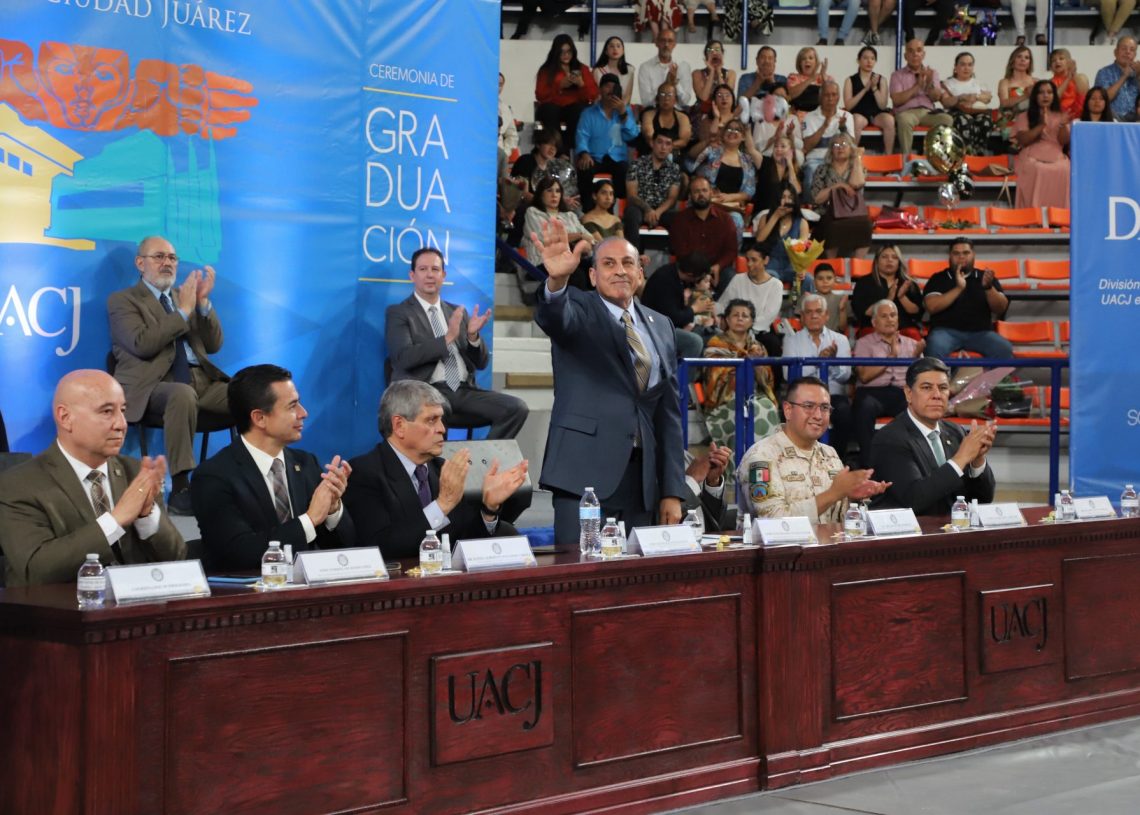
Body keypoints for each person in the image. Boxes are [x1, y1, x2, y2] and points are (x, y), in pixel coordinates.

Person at [531, 222, 686, 545]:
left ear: (640, 273)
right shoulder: (578, 307)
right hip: (582, 476)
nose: (619, 271)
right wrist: (557, 281)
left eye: (628, 263)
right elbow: (555, 316)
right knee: (581, 573)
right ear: (592, 275)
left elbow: (668, 414)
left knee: (636, 574)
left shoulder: (662, 325)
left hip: (642, 483)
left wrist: (672, 490)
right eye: (608, 263)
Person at [0, 370, 185, 587]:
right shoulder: (17, 484)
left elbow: (177, 560)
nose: (121, 424)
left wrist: (147, 516)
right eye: (107, 411)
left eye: (123, 411)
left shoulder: (135, 473)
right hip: (63, 607)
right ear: (65, 417)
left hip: (138, 605)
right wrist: (115, 520)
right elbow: (35, 570)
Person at [107, 235, 230, 515]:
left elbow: (213, 345)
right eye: (159, 256)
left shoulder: (184, 297)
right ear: (140, 263)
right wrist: (183, 312)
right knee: (182, 395)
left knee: (250, 394)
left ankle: (246, 480)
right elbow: (142, 343)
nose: (167, 263)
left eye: (172, 258)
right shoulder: (123, 301)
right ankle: (181, 488)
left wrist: (202, 304)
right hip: (153, 385)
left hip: (202, 381)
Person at [190, 365, 355, 571]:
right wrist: (309, 519)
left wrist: (332, 511)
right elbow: (239, 553)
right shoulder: (213, 477)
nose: (303, 413)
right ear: (259, 418)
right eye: (292, 406)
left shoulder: (306, 464)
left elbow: (345, 549)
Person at [343, 381, 528, 561]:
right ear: (399, 426)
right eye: (431, 420)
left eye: (441, 420)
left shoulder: (443, 469)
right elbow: (380, 547)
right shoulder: (364, 473)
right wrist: (442, 505)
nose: (442, 429)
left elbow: (464, 541)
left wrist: (489, 508)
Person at [386, 248, 529, 440]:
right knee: (439, 410)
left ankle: (486, 457)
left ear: (443, 275)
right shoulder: (399, 312)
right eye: (423, 269)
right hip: (426, 391)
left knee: (516, 408)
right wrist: (446, 339)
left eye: (435, 269)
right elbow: (403, 358)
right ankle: (439, 459)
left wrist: (472, 337)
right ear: (412, 275)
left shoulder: (457, 312)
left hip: (463, 390)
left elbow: (481, 363)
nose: (430, 274)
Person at [736, 375, 888, 522]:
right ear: (788, 410)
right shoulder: (762, 456)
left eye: (824, 408)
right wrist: (834, 494)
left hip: (826, 540)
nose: (818, 415)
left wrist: (852, 497)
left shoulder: (830, 454)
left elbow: (840, 521)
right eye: (808, 406)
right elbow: (773, 522)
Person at [870, 357, 996, 515]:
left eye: (943, 388)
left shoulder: (956, 432)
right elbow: (914, 499)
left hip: (952, 527)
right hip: (910, 529)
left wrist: (977, 460)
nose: (937, 395)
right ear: (908, 393)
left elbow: (983, 499)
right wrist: (961, 459)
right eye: (926, 387)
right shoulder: (890, 439)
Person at [701, 299, 780, 451]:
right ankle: (738, 463)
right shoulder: (715, 344)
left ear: (751, 321)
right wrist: (745, 362)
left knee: (767, 406)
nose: (740, 318)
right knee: (751, 411)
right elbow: (713, 378)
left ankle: (764, 459)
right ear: (727, 319)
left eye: (745, 316)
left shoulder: (758, 347)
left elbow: (768, 381)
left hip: (756, 398)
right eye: (735, 315)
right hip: (724, 403)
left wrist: (757, 365)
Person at [783, 294, 854, 461]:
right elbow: (789, 375)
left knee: (844, 413)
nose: (814, 315)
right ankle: (800, 461)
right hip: (803, 398)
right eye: (809, 312)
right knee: (793, 412)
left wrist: (832, 362)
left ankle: (836, 462)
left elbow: (845, 376)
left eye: (818, 311)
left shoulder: (840, 340)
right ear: (802, 316)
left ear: (826, 315)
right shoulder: (792, 341)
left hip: (833, 396)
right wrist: (818, 362)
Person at [851, 301, 922, 467]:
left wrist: (917, 360)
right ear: (874, 322)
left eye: (893, 315)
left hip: (902, 392)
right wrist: (890, 358)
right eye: (884, 316)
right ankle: (868, 464)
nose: (890, 319)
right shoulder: (864, 343)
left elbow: (920, 379)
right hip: (872, 392)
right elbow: (864, 376)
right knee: (864, 407)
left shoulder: (912, 344)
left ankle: (911, 463)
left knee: (917, 406)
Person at [922, 237, 1013, 360]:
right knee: (934, 347)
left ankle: (993, 375)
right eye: (956, 253)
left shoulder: (985, 277)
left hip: (981, 333)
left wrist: (988, 288)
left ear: (973, 254)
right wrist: (959, 288)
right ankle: (939, 374)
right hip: (945, 332)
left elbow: (1001, 308)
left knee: (1004, 348)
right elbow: (932, 307)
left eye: (966, 253)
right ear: (950, 256)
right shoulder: (938, 278)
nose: (961, 257)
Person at [575, 72, 640, 210]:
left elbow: (632, 135)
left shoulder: (625, 110)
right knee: (584, 169)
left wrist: (623, 114)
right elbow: (582, 136)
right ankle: (587, 210)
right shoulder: (588, 113)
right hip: (594, 158)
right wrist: (584, 153)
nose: (610, 90)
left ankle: (616, 211)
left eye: (613, 87)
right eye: (607, 86)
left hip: (617, 159)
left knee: (624, 171)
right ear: (600, 90)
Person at [668, 176, 739, 296]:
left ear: (711, 192)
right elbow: (680, 251)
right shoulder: (680, 220)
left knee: (730, 276)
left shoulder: (725, 219)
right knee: (672, 275)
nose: (701, 194)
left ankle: (720, 307)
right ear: (690, 195)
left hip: (718, 269)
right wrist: (702, 272)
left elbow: (731, 250)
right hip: (690, 269)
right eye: (696, 191)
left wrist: (718, 266)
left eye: (704, 190)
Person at [689, 117, 757, 243]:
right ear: (723, 133)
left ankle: (729, 255)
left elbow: (749, 192)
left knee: (736, 219)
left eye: (737, 130)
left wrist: (729, 197)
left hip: (731, 206)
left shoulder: (747, 161)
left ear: (743, 137)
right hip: (707, 201)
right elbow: (692, 162)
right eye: (729, 129)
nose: (732, 132)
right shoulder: (712, 151)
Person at [640, 252, 715, 360]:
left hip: (674, 324)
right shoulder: (665, 280)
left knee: (712, 333)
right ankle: (681, 372)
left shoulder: (678, 275)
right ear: (690, 274)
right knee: (694, 342)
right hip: (656, 328)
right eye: (699, 278)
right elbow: (672, 318)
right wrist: (694, 309)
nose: (698, 281)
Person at [809, 133, 872, 260]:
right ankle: (832, 264)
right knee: (833, 225)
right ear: (831, 150)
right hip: (827, 212)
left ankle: (857, 264)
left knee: (866, 225)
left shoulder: (857, 167)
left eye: (844, 144)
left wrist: (857, 158)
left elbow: (856, 183)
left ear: (851, 148)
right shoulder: (822, 169)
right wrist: (838, 186)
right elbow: (817, 199)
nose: (840, 148)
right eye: (836, 145)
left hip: (852, 212)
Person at [1011, 80, 1071, 211]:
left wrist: (1062, 125)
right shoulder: (1024, 116)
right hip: (1032, 157)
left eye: (1049, 92)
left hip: (1056, 156)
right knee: (1038, 169)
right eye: (1041, 93)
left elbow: (1064, 141)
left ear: (1054, 96)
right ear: (1035, 96)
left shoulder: (1060, 116)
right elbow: (1023, 140)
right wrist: (1041, 125)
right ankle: (1034, 215)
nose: (1045, 96)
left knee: (1065, 168)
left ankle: (1058, 217)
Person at [535, 34, 598, 154]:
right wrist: (559, 86)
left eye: (569, 51)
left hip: (574, 108)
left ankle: (574, 152)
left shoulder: (582, 68)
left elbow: (593, 95)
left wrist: (581, 85)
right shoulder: (546, 70)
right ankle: (557, 152)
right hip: (553, 107)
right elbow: (540, 95)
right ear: (556, 52)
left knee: (578, 111)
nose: (566, 55)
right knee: (549, 111)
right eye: (562, 52)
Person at [890, 40, 955, 156]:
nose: (915, 54)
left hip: (927, 113)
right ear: (905, 56)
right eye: (911, 51)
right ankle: (906, 160)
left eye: (919, 51)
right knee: (904, 120)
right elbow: (897, 100)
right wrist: (917, 87)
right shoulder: (897, 75)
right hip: (907, 112)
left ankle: (935, 158)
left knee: (947, 119)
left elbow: (936, 98)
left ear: (923, 54)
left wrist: (929, 83)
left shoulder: (932, 73)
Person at [521, 176, 595, 270]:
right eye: (549, 190)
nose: (554, 195)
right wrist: (578, 236)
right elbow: (548, 239)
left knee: (595, 267)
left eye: (557, 191)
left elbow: (590, 239)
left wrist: (585, 245)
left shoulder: (570, 216)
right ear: (541, 194)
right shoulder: (533, 212)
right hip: (543, 264)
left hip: (573, 262)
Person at [851, 244, 924, 339]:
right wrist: (888, 299)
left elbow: (916, 313)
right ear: (877, 261)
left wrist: (902, 297)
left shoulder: (909, 283)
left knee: (913, 334)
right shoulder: (864, 283)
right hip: (873, 328)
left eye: (894, 257)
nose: (890, 260)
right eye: (884, 257)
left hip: (904, 328)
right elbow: (863, 312)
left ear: (899, 262)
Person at [624, 130, 682, 248]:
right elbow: (632, 195)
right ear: (652, 143)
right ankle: (633, 254)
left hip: (662, 211)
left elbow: (672, 198)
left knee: (680, 219)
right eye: (660, 142)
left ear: (671, 148)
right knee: (631, 214)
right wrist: (648, 209)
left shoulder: (674, 169)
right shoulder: (636, 164)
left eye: (668, 144)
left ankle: (677, 256)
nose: (663, 147)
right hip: (640, 208)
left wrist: (657, 212)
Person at [753, 183, 814, 287]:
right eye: (783, 197)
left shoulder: (802, 222)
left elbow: (803, 249)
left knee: (807, 279)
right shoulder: (765, 218)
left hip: (791, 264)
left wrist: (802, 269)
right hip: (771, 263)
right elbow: (759, 240)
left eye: (790, 198)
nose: (787, 201)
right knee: (770, 279)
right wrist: (775, 216)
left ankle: (805, 298)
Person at [716, 243, 784, 333]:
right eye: (747, 260)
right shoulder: (738, 279)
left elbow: (768, 316)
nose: (749, 264)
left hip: (759, 332)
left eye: (754, 260)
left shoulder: (776, 285)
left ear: (766, 260)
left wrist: (743, 325)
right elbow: (723, 304)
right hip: (734, 329)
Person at [802, 80, 853, 193]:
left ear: (838, 97)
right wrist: (824, 126)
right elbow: (807, 147)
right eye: (827, 95)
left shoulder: (847, 116)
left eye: (834, 95)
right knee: (810, 176)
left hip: (840, 160)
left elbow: (852, 145)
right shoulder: (809, 117)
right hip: (816, 160)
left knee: (856, 176)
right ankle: (811, 204)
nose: (830, 98)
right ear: (820, 97)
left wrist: (843, 128)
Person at [844, 46, 895, 155]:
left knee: (889, 120)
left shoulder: (881, 79)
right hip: (859, 113)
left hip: (876, 114)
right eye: (865, 58)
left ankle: (889, 156)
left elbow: (882, 105)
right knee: (856, 120)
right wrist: (865, 89)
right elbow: (848, 106)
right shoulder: (850, 80)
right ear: (858, 60)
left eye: (872, 58)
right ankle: (852, 155)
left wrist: (874, 88)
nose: (869, 61)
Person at [942, 51, 994, 156]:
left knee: (986, 120)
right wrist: (961, 97)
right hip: (957, 112)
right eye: (963, 64)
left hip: (976, 111)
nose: (966, 68)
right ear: (955, 67)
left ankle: (980, 151)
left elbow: (988, 98)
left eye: (970, 65)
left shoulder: (978, 83)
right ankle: (966, 152)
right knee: (965, 120)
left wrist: (975, 97)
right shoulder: (948, 83)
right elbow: (945, 102)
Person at [637, 28, 694, 109]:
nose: (666, 44)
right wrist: (665, 83)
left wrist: (675, 83)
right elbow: (646, 102)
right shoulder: (645, 67)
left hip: (677, 111)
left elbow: (685, 102)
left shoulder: (683, 66)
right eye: (663, 40)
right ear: (656, 43)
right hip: (654, 111)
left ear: (674, 44)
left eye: (670, 41)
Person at [682, 444, 732, 533]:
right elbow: (664, 516)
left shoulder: (685, 457)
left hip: (705, 538)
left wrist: (712, 482)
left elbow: (714, 522)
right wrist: (691, 480)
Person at [752, 130, 803, 215]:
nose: (778, 149)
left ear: (791, 151)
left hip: (786, 214)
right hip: (764, 213)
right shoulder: (765, 162)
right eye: (776, 146)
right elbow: (751, 150)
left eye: (783, 146)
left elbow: (797, 191)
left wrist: (790, 164)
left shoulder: (796, 170)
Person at [996, 46, 1036, 149]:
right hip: (1009, 118)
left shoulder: (1035, 82)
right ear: (1012, 60)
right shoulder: (1005, 82)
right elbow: (1004, 103)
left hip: (1031, 119)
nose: (1023, 60)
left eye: (1026, 58)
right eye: (1019, 57)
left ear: (1030, 63)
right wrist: (1026, 95)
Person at [639, 81, 692, 156]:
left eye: (670, 95)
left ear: (675, 100)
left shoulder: (683, 117)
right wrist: (664, 148)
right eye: (662, 94)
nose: (666, 98)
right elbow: (649, 137)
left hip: (674, 156)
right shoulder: (648, 114)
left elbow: (684, 141)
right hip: (650, 154)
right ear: (657, 99)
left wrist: (663, 148)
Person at [1094, 37, 1140, 121]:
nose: (1128, 52)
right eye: (1124, 48)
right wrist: (1124, 76)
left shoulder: (1137, 73)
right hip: (1114, 119)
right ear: (1115, 52)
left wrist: (1138, 76)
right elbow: (1103, 99)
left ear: (1135, 55)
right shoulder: (1104, 72)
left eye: (1132, 50)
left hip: (1136, 120)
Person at [693, 41, 737, 117]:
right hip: (703, 113)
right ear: (706, 55)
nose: (714, 53)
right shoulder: (697, 74)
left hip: (724, 113)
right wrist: (712, 71)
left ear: (722, 54)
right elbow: (704, 98)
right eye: (710, 50)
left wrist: (719, 71)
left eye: (717, 49)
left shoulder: (730, 74)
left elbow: (725, 95)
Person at [787, 47, 832, 115]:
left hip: (820, 116)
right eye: (803, 59)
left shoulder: (827, 78)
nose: (807, 61)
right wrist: (810, 79)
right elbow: (790, 95)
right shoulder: (793, 77)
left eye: (811, 58)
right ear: (799, 63)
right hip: (798, 117)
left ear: (816, 62)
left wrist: (823, 77)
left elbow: (832, 97)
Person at [592, 36, 634, 107]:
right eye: (611, 46)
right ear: (606, 51)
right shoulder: (598, 71)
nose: (615, 49)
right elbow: (599, 94)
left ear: (623, 51)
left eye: (618, 46)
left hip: (622, 107)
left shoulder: (629, 70)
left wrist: (620, 108)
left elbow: (628, 95)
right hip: (603, 107)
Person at [1049, 48, 1089, 121]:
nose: (1057, 61)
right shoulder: (1050, 83)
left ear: (1069, 62)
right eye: (1053, 60)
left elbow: (1084, 94)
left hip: (1079, 116)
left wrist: (1073, 74)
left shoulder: (1080, 77)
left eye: (1061, 58)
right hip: (1060, 117)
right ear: (1051, 67)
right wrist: (1068, 79)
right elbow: (1054, 99)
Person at [812, 264, 848, 335]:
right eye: (820, 278)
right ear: (814, 281)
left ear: (835, 280)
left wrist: (842, 309)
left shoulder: (841, 299)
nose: (825, 281)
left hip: (835, 337)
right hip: (812, 337)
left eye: (829, 278)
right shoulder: (808, 299)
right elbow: (803, 325)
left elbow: (843, 328)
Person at [498, 73, 519, 158]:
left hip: (498, 153)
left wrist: (505, 153)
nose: (497, 87)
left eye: (500, 84)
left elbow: (512, 135)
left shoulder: (505, 108)